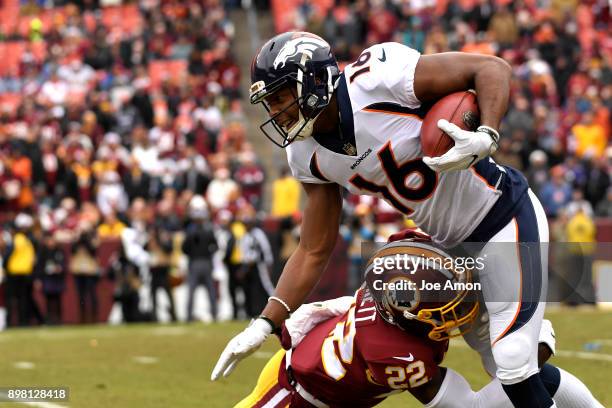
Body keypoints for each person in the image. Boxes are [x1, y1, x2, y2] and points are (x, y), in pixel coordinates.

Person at [213, 32, 555, 408]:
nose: (276, 111)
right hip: (450, 249)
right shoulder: (305, 154)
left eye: (281, 97)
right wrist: (265, 323)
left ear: (312, 80)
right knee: (512, 370)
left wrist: (486, 134)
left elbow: (490, 68)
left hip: (503, 216)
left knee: (515, 359)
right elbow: (313, 248)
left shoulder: (375, 78)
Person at [236, 239, 603, 407]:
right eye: (444, 306)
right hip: (297, 397)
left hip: (318, 372)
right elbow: (469, 407)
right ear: (404, 314)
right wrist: (532, 354)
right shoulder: (394, 351)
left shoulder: (399, 271)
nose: (457, 311)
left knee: (527, 374)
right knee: (524, 371)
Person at [181, 195, 218, 322]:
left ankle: (188, 316)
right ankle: (214, 314)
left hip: (195, 263)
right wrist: (208, 253)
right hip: (206, 262)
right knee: (210, 290)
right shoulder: (208, 231)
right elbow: (215, 246)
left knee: (191, 291)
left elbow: (184, 249)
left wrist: (193, 253)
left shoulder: (190, 232)